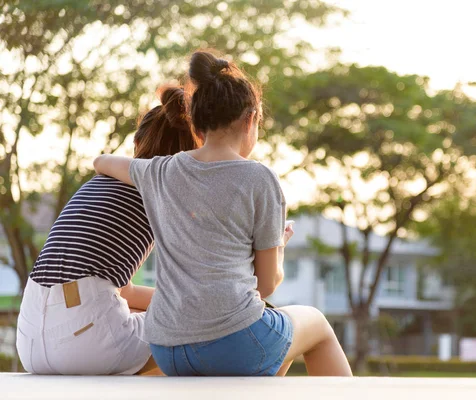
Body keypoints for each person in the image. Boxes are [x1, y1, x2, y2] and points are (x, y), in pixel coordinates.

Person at [92, 50, 353, 377]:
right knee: (316, 325)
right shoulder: (260, 178)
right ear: (250, 119)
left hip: (167, 348)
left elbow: (101, 161)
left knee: (275, 344)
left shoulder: (160, 171)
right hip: (233, 342)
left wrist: (133, 167)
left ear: (197, 124)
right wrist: (280, 247)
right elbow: (267, 285)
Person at [16, 85, 202, 375]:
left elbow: (122, 291)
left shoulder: (98, 184)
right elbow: (190, 293)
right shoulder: (165, 192)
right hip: (87, 340)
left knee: (155, 316)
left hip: (29, 341)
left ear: (137, 141)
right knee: (197, 327)